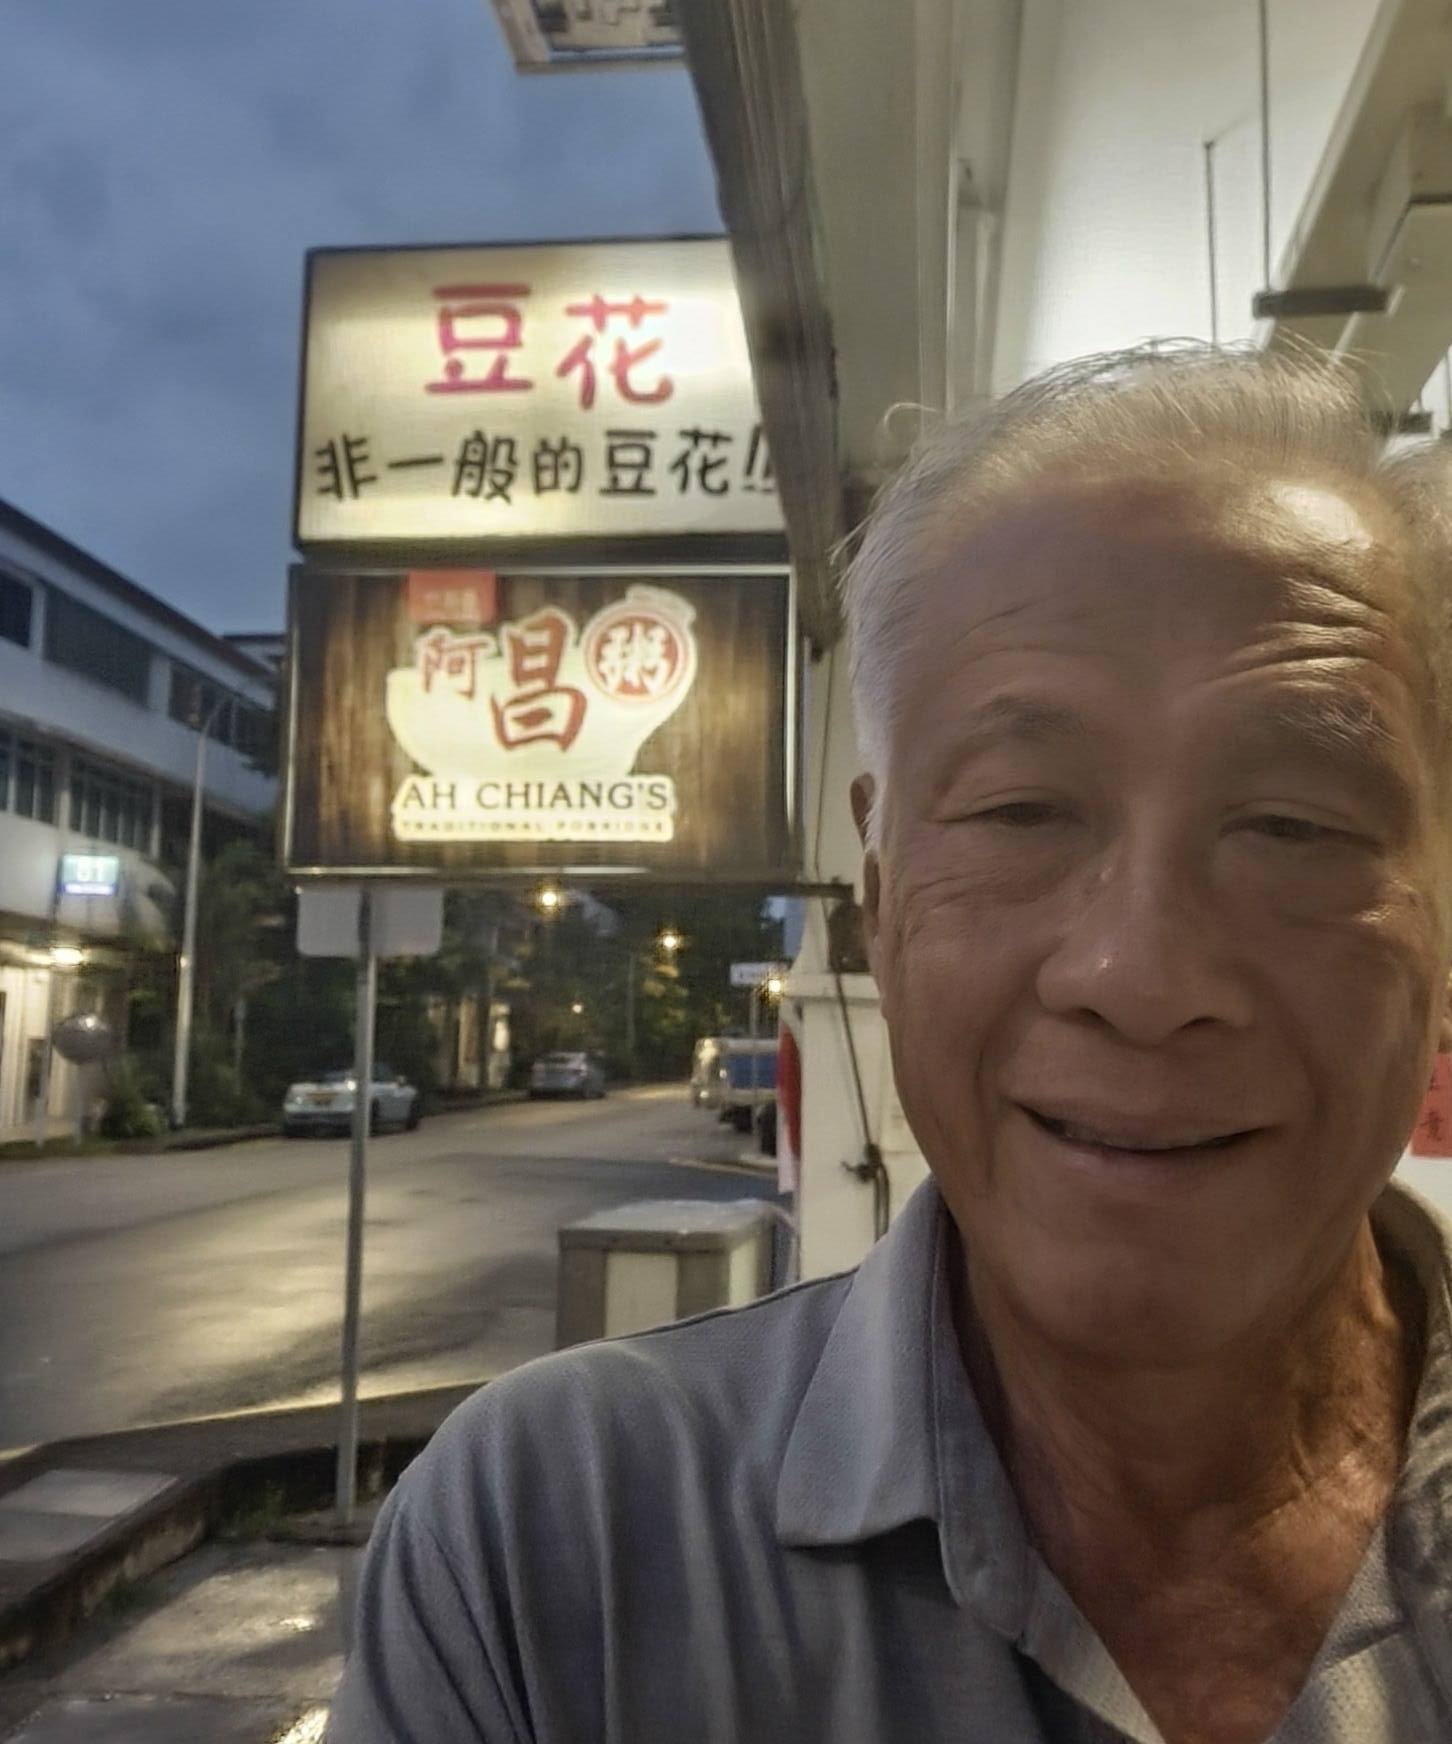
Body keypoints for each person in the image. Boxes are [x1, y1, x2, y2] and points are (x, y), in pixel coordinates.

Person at [328, 346, 1452, 1744]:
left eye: (1295, 825)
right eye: (1021, 812)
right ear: (877, 891)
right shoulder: (560, 1545)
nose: (1141, 975)